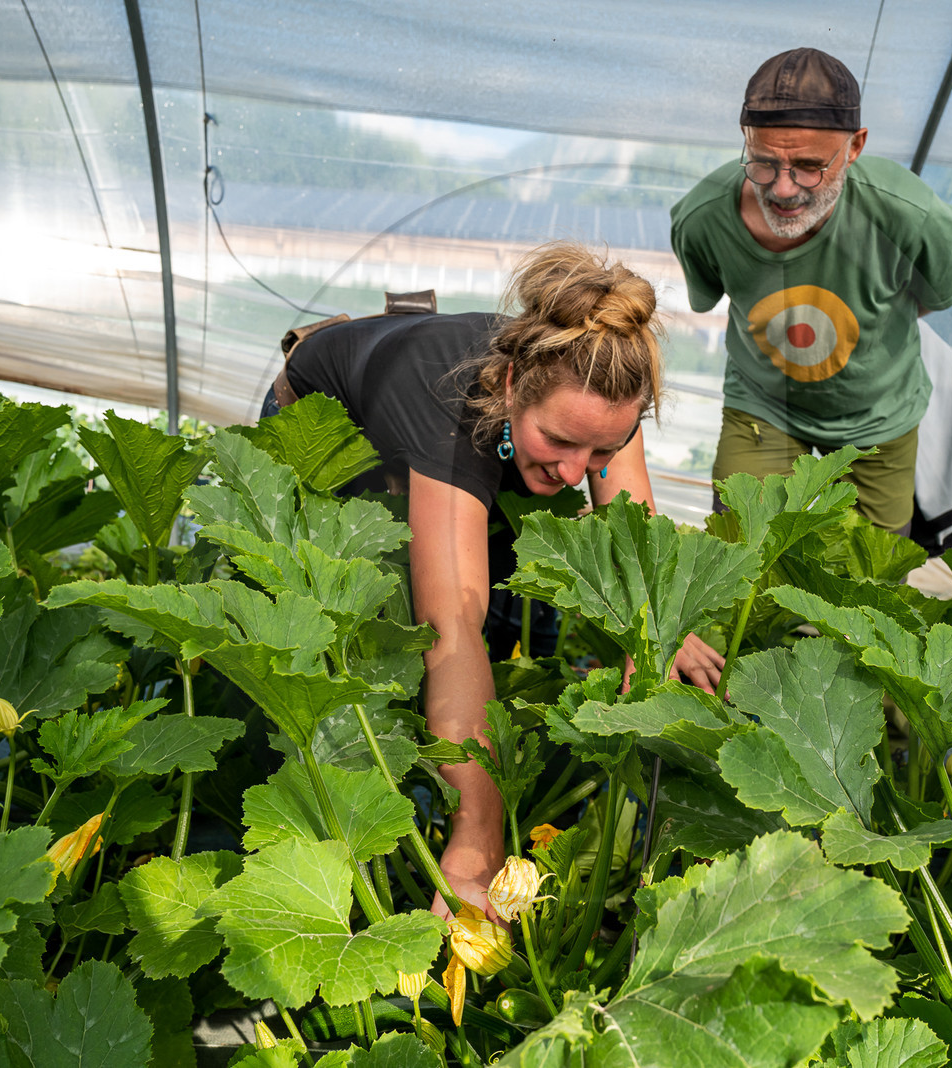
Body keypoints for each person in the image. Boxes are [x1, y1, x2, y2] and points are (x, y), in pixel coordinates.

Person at [258, 242, 723, 918]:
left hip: (481, 437)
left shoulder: (601, 386)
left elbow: (636, 538)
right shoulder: (444, 417)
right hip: (336, 436)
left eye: (599, 449)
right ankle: (399, 817)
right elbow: (453, 628)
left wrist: (658, 629)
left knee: (493, 609)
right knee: (381, 640)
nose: (575, 470)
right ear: (510, 387)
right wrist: (479, 840)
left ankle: (466, 767)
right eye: (559, 442)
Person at [670, 47, 952, 538]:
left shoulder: (913, 218)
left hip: (879, 417)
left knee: (866, 586)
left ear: (855, 147)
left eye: (810, 166)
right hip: (761, 404)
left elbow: (935, 294)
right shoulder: (703, 217)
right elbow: (707, 293)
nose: (784, 189)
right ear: (745, 140)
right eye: (763, 163)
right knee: (738, 560)